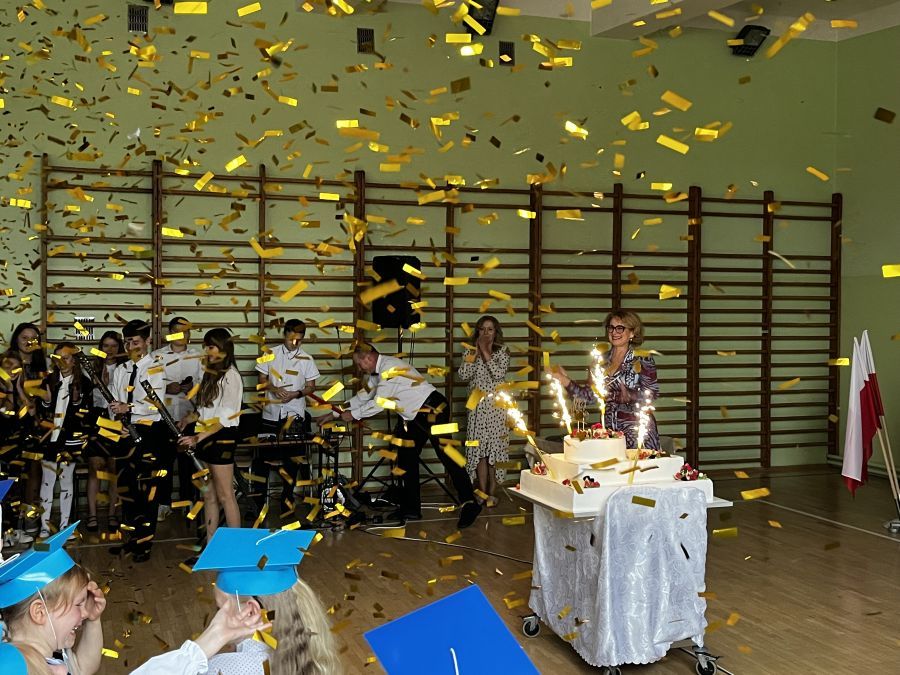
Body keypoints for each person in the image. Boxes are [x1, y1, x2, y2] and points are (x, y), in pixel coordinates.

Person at [324, 343, 481, 529]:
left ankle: (470, 503)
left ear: (369, 358)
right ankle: (411, 508)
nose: (358, 368)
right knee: (406, 458)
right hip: (414, 416)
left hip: (433, 409)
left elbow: (379, 403)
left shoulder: (389, 369)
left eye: (359, 363)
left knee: (447, 455)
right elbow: (362, 397)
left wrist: (353, 415)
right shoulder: (376, 374)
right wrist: (334, 413)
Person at [192, 527, 342, 675]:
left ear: (251, 612)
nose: (215, 619)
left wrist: (201, 648)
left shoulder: (219, 668)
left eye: (219, 609)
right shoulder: (310, 652)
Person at [0, 523, 106, 675]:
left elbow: (83, 668)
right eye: (78, 604)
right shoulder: (10, 666)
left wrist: (93, 621)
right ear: (40, 612)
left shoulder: (52, 652)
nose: (84, 614)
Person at [549, 310, 660, 450]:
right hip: (610, 433)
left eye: (620, 328)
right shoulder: (600, 361)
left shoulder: (642, 359)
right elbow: (588, 396)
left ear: (632, 333)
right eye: (611, 327)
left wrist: (630, 395)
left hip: (638, 433)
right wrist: (563, 379)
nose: (614, 332)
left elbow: (652, 393)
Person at [107, 320, 167, 563]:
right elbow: (114, 401)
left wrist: (129, 408)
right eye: (127, 342)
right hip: (124, 432)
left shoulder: (155, 368)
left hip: (149, 433)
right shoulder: (121, 369)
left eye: (136, 342)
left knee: (147, 490)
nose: (130, 346)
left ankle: (145, 542)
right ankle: (130, 539)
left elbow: (156, 406)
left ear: (148, 341)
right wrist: (118, 419)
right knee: (127, 488)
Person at [177, 328, 243, 543]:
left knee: (226, 495)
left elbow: (224, 418)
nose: (207, 351)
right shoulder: (210, 373)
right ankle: (211, 543)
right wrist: (188, 419)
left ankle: (235, 546)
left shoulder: (231, 376)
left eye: (211, 346)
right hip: (205, 435)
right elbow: (205, 409)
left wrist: (197, 438)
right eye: (206, 346)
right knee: (209, 495)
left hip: (221, 437)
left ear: (223, 348)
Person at [253, 319, 319, 513]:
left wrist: (296, 393)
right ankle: (258, 503)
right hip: (270, 414)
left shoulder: (307, 359)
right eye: (291, 339)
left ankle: (287, 499)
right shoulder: (269, 353)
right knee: (262, 459)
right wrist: (274, 389)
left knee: (293, 460)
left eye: (299, 340)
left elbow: (311, 386)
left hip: (295, 414)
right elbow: (261, 380)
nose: (295, 343)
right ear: (284, 335)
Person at [37, 343, 92, 539]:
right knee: (47, 482)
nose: (62, 362)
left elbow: (85, 414)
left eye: (66, 357)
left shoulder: (84, 383)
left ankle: (64, 526)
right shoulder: (48, 381)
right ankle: (44, 527)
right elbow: (41, 410)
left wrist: (76, 401)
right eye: (58, 358)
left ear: (74, 360)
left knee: (66, 482)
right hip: (49, 439)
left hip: (70, 440)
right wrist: (46, 401)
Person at [152, 317, 204, 523]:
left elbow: (206, 384)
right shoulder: (157, 356)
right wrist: (167, 387)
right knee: (163, 462)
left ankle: (187, 501)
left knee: (187, 463)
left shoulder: (198, 356)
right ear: (170, 333)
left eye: (186, 331)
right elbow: (148, 385)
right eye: (177, 331)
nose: (182, 335)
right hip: (163, 418)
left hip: (189, 417)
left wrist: (192, 388)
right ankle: (163, 504)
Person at [458, 315, 510, 508]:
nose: (486, 333)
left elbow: (498, 374)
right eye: (482, 329)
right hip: (477, 407)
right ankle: (481, 491)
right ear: (477, 331)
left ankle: (492, 493)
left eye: (490, 329)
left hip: (496, 407)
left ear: (496, 332)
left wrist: (486, 351)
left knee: (494, 452)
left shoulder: (503, 351)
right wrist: (475, 352)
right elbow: (463, 375)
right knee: (479, 451)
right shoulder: (470, 350)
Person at [5, 323, 49, 535]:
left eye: (33, 338)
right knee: (10, 475)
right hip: (7, 426)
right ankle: (9, 524)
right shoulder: (6, 362)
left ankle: (29, 518)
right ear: (16, 338)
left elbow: (39, 404)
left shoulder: (42, 366)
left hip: (34, 425)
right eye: (24, 337)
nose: (28, 342)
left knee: (33, 472)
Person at [84, 331, 125, 534]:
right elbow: (87, 398)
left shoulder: (125, 368)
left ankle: (112, 513)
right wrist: (99, 383)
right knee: (95, 467)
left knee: (113, 469)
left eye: (114, 346)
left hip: (116, 422)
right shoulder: (91, 368)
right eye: (106, 346)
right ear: (100, 348)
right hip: (96, 422)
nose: (109, 350)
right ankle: (92, 514)